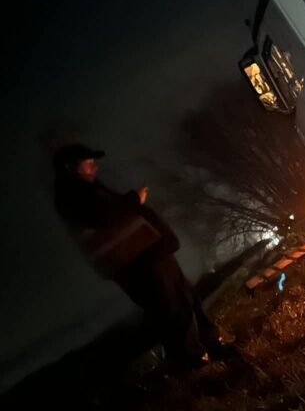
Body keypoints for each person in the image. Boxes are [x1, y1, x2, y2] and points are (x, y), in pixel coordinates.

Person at [53, 143, 230, 371]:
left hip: (149, 253)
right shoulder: (73, 197)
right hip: (136, 263)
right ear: (71, 168)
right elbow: (104, 215)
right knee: (171, 308)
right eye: (88, 163)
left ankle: (210, 345)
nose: (94, 167)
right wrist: (134, 199)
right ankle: (189, 361)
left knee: (186, 297)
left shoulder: (90, 191)